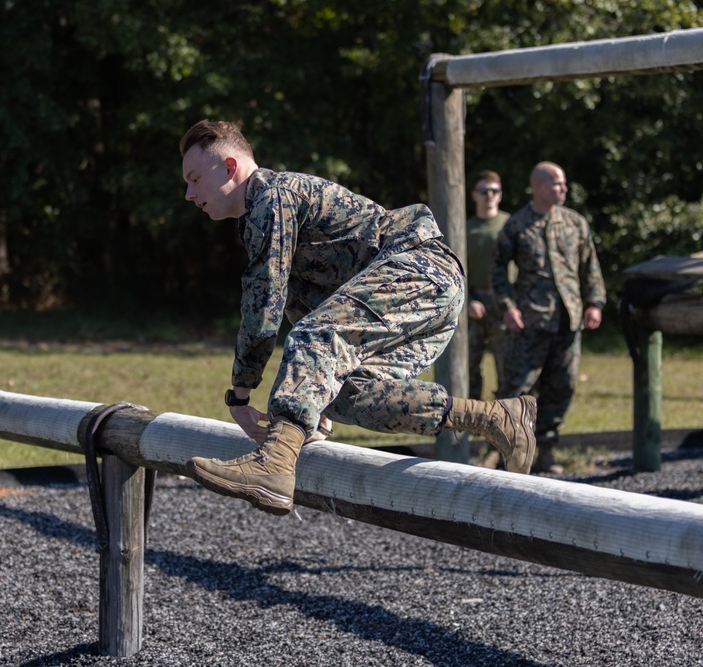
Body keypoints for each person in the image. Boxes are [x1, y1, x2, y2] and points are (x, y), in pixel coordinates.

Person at [179, 119, 537, 516]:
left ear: (230, 168)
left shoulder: (271, 197)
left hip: (420, 268)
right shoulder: (259, 219)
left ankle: (275, 466)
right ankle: (495, 417)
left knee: (315, 335)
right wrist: (313, 403)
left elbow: (266, 303)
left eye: (195, 179)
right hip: (424, 290)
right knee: (347, 396)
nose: (189, 194)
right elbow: (309, 305)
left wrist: (242, 393)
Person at [492, 162, 606, 474]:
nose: (563, 189)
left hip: (568, 321)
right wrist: (507, 306)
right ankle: (510, 454)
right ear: (539, 186)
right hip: (531, 322)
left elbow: (590, 267)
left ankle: (547, 454)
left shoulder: (575, 223)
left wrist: (594, 303)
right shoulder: (517, 225)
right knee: (518, 388)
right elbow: (498, 269)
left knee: (562, 386)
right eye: (557, 184)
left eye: (563, 183)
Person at [465, 170, 512, 401]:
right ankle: (471, 419)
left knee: (507, 365)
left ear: (500, 195)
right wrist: (468, 301)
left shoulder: (509, 225)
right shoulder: (464, 229)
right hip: (474, 301)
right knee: (470, 365)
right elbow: (457, 271)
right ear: (475, 195)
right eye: (484, 191)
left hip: (504, 302)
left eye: (494, 191)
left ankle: (506, 418)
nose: (489, 195)